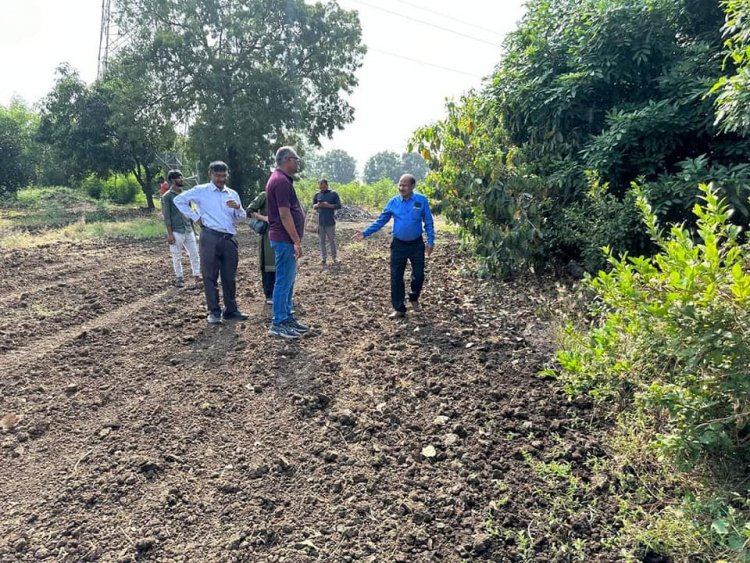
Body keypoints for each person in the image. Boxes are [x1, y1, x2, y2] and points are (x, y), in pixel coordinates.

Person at [174, 161, 249, 325]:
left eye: (224, 175)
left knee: (230, 276)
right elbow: (179, 200)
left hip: (229, 239)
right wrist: (196, 217)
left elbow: (241, 217)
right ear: (210, 174)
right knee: (210, 276)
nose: (221, 179)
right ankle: (214, 311)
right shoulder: (201, 191)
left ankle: (231, 310)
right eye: (218, 175)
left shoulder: (232, 194)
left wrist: (238, 207)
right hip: (210, 237)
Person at [354, 173, 435, 319]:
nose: (401, 188)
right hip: (398, 245)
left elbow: (428, 221)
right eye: (400, 185)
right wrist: (365, 233)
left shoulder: (421, 201)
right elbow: (381, 221)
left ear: (412, 187)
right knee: (396, 276)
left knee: (419, 275)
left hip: (416, 244)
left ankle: (414, 297)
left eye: (405, 185)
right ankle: (399, 308)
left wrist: (431, 241)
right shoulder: (393, 202)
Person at [266, 146, 310, 339]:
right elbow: (284, 214)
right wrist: (296, 241)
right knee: (283, 281)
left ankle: (288, 317)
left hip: (285, 240)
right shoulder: (280, 181)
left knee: (289, 281)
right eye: (296, 159)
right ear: (286, 160)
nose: (297, 162)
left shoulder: (281, 180)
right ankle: (278, 322)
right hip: (284, 240)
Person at [162, 169, 201, 289]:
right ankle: (179, 278)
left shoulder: (185, 195)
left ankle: (197, 276)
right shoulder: (167, 197)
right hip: (176, 230)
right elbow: (166, 216)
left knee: (194, 254)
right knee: (176, 256)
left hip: (188, 229)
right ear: (173, 180)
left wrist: (194, 230)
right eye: (180, 177)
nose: (182, 179)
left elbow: (189, 213)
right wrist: (169, 234)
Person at [247, 190, 275, 304]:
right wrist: (265, 218)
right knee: (268, 264)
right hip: (268, 235)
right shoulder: (265, 195)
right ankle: (269, 294)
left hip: (283, 235)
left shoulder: (287, 194)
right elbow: (249, 211)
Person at [312, 178, 342, 265]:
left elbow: (339, 206)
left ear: (327, 185)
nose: (322, 188)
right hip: (320, 222)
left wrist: (328, 205)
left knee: (331, 240)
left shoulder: (333, 194)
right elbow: (313, 206)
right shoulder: (317, 195)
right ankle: (323, 258)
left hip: (330, 221)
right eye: (320, 187)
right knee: (322, 241)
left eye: (324, 186)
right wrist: (318, 205)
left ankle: (334, 257)